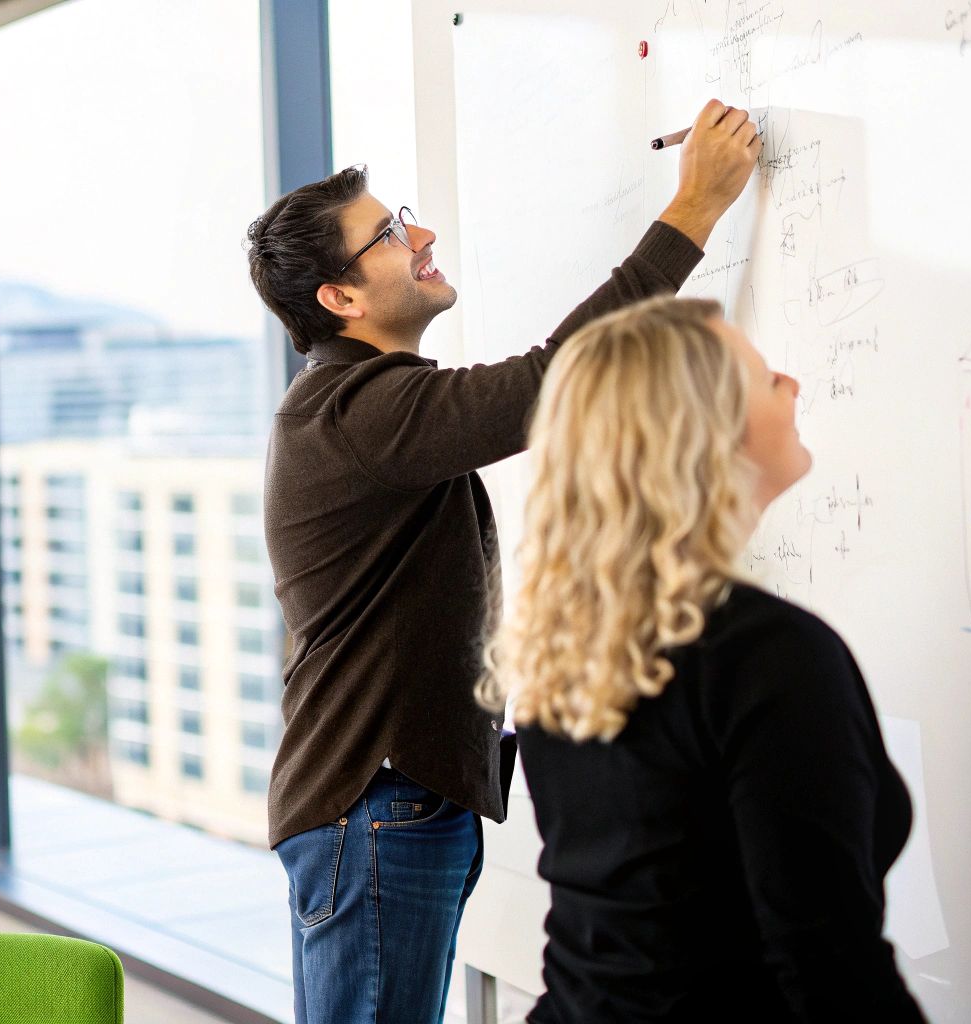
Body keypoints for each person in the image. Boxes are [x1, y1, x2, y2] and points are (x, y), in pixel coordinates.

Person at [242, 99, 760, 1023]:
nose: (423, 234)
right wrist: (694, 212)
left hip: (386, 802)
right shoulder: (355, 411)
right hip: (375, 803)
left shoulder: (358, 404)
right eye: (392, 233)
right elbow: (555, 379)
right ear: (342, 299)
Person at [481, 297, 927, 1021]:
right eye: (764, 378)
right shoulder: (770, 657)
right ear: (709, 435)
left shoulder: (570, 645)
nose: (793, 385)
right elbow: (829, 968)